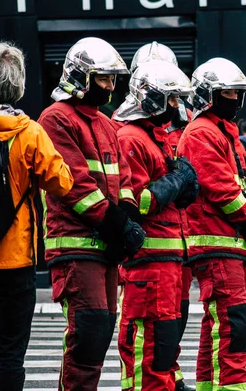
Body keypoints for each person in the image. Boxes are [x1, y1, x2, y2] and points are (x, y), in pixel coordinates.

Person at [38, 37, 146, 391]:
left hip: (105, 243)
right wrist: (116, 223)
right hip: (75, 242)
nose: (110, 87)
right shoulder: (55, 119)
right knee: (89, 331)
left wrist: (127, 217)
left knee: (100, 334)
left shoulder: (106, 124)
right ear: (79, 77)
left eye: (113, 79)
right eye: (102, 79)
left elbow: (125, 179)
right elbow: (73, 185)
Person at [178, 57, 246, 390]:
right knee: (234, 324)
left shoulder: (224, 130)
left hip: (229, 242)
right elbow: (220, 189)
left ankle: (210, 386)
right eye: (229, 92)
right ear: (209, 94)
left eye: (238, 93)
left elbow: (243, 185)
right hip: (217, 240)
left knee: (218, 325)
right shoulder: (202, 132)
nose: (235, 99)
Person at [0, 42, 73, 391]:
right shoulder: (30, 132)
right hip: (15, 262)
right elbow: (63, 184)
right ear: (19, 84)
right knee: (11, 355)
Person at [113, 61, 200, 390]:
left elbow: (171, 201)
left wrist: (183, 187)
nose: (178, 107)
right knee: (146, 348)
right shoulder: (130, 138)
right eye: (173, 99)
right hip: (147, 265)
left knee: (163, 347)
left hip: (168, 263)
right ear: (153, 100)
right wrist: (176, 182)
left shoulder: (155, 139)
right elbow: (138, 203)